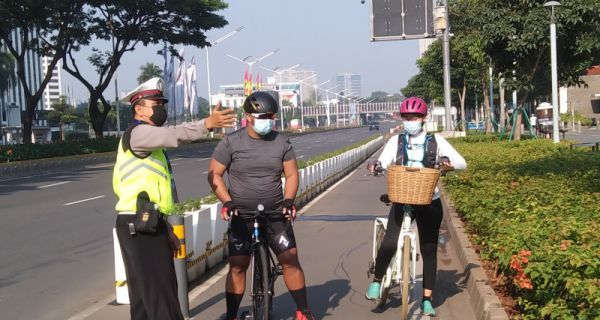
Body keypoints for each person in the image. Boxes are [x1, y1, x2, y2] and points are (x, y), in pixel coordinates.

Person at [113, 77, 236, 320]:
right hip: (139, 225)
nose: (161, 107)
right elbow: (175, 134)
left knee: (146, 302)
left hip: (146, 223)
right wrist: (206, 124)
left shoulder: (150, 142)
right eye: (155, 103)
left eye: (162, 102)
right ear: (139, 109)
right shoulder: (139, 134)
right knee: (162, 300)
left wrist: (166, 227)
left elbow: (159, 192)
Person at [207, 91, 315, 320]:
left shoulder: (282, 142)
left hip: (275, 212)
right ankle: (232, 315)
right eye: (261, 116)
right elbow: (214, 174)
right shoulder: (231, 142)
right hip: (241, 214)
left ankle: (303, 311)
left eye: (270, 115)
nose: (267, 120)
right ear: (248, 116)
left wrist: (289, 200)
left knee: (290, 258)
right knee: (238, 264)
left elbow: (292, 174)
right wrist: (226, 202)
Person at [365, 96, 467, 316]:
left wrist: (447, 161)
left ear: (424, 118)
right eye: (407, 117)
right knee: (390, 242)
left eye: (415, 117)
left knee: (429, 249)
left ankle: (426, 299)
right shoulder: (396, 141)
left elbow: (462, 163)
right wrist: (377, 166)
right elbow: (383, 161)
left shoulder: (436, 141)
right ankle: (377, 280)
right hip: (402, 197)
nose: (410, 121)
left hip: (430, 199)